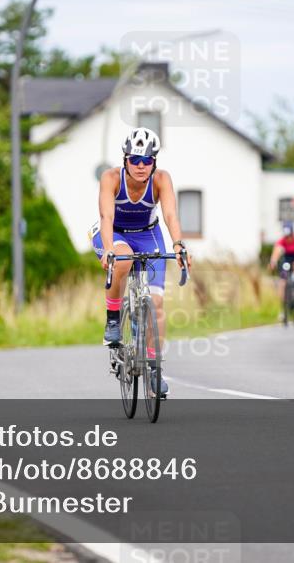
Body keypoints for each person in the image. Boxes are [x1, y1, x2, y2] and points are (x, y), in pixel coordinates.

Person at [90, 127, 191, 397]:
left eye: (147, 160)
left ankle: (155, 370)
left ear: (154, 162)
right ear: (125, 159)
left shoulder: (161, 179)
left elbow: (170, 215)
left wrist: (179, 245)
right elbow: (106, 217)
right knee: (122, 263)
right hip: (115, 234)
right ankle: (113, 319)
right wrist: (110, 250)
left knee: (156, 303)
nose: (141, 166)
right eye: (135, 160)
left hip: (148, 235)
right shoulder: (111, 178)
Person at [268, 221, 294, 306]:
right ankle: (283, 305)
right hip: (287, 261)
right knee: (282, 281)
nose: (288, 238)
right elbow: (276, 251)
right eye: (286, 236)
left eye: (289, 236)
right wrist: (273, 261)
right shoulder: (282, 241)